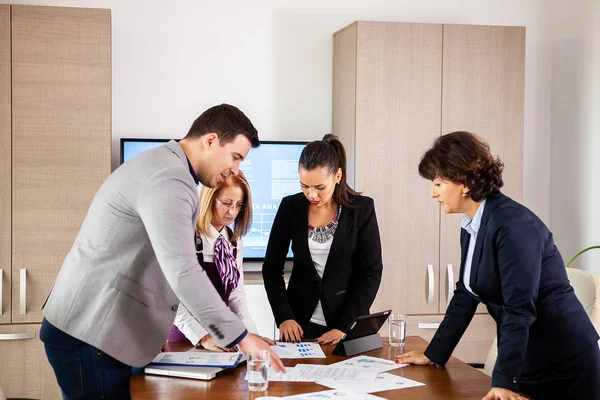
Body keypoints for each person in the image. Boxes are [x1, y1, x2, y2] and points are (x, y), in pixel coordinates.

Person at [40, 104, 285, 400]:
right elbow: (182, 272)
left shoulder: (166, 167)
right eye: (235, 157)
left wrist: (151, 332)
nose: (236, 169)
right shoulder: (170, 178)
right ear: (210, 141)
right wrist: (242, 338)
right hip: (91, 333)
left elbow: (150, 259)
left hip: (101, 329)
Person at [396, 131, 600, 400]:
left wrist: (505, 382)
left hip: (564, 366)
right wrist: (434, 353)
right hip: (529, 359)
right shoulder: (473, 224)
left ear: (464, 183)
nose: (433, 194)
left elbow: (519, 308)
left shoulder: (513, 225)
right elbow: (466, 294)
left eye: (437, 184)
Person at [262, 134, 383, 345]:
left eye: (319, 187)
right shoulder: (290, 207)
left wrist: (345, 326)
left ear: (337, 176)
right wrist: (284, 317)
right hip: (298, 324)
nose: (312, 195)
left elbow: (371, 273)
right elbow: (271, 268)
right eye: (304, 186)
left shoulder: (361, 209)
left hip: (347, 322)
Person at [167, 172, 275, 350]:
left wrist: (249, 335)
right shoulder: (186, 235)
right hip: (184, 338)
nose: (232, 212)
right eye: (226, 203)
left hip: (221, 336)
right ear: (209, 198)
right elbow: (172, 298)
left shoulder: (234, 241)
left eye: (238, 205)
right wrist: (202, 337)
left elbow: (236, 296)